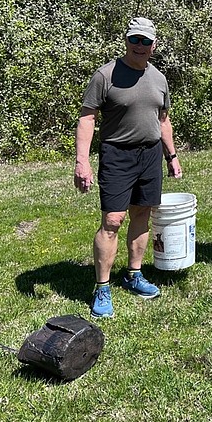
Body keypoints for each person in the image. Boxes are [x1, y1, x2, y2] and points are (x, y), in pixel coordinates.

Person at [74, 17, 182, 318]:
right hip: (117, 154)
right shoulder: (105, 75)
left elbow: (162, 121)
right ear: (126, 40)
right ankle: (102, 287)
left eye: (146, 41)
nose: (140, 45)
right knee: (113, 220)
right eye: (135, 39)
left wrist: (171, 156)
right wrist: (82, 162)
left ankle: (134, 274)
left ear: (154, 45)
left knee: (142, 214)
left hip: (150, 156)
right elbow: (87, 118)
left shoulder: (159, 78)